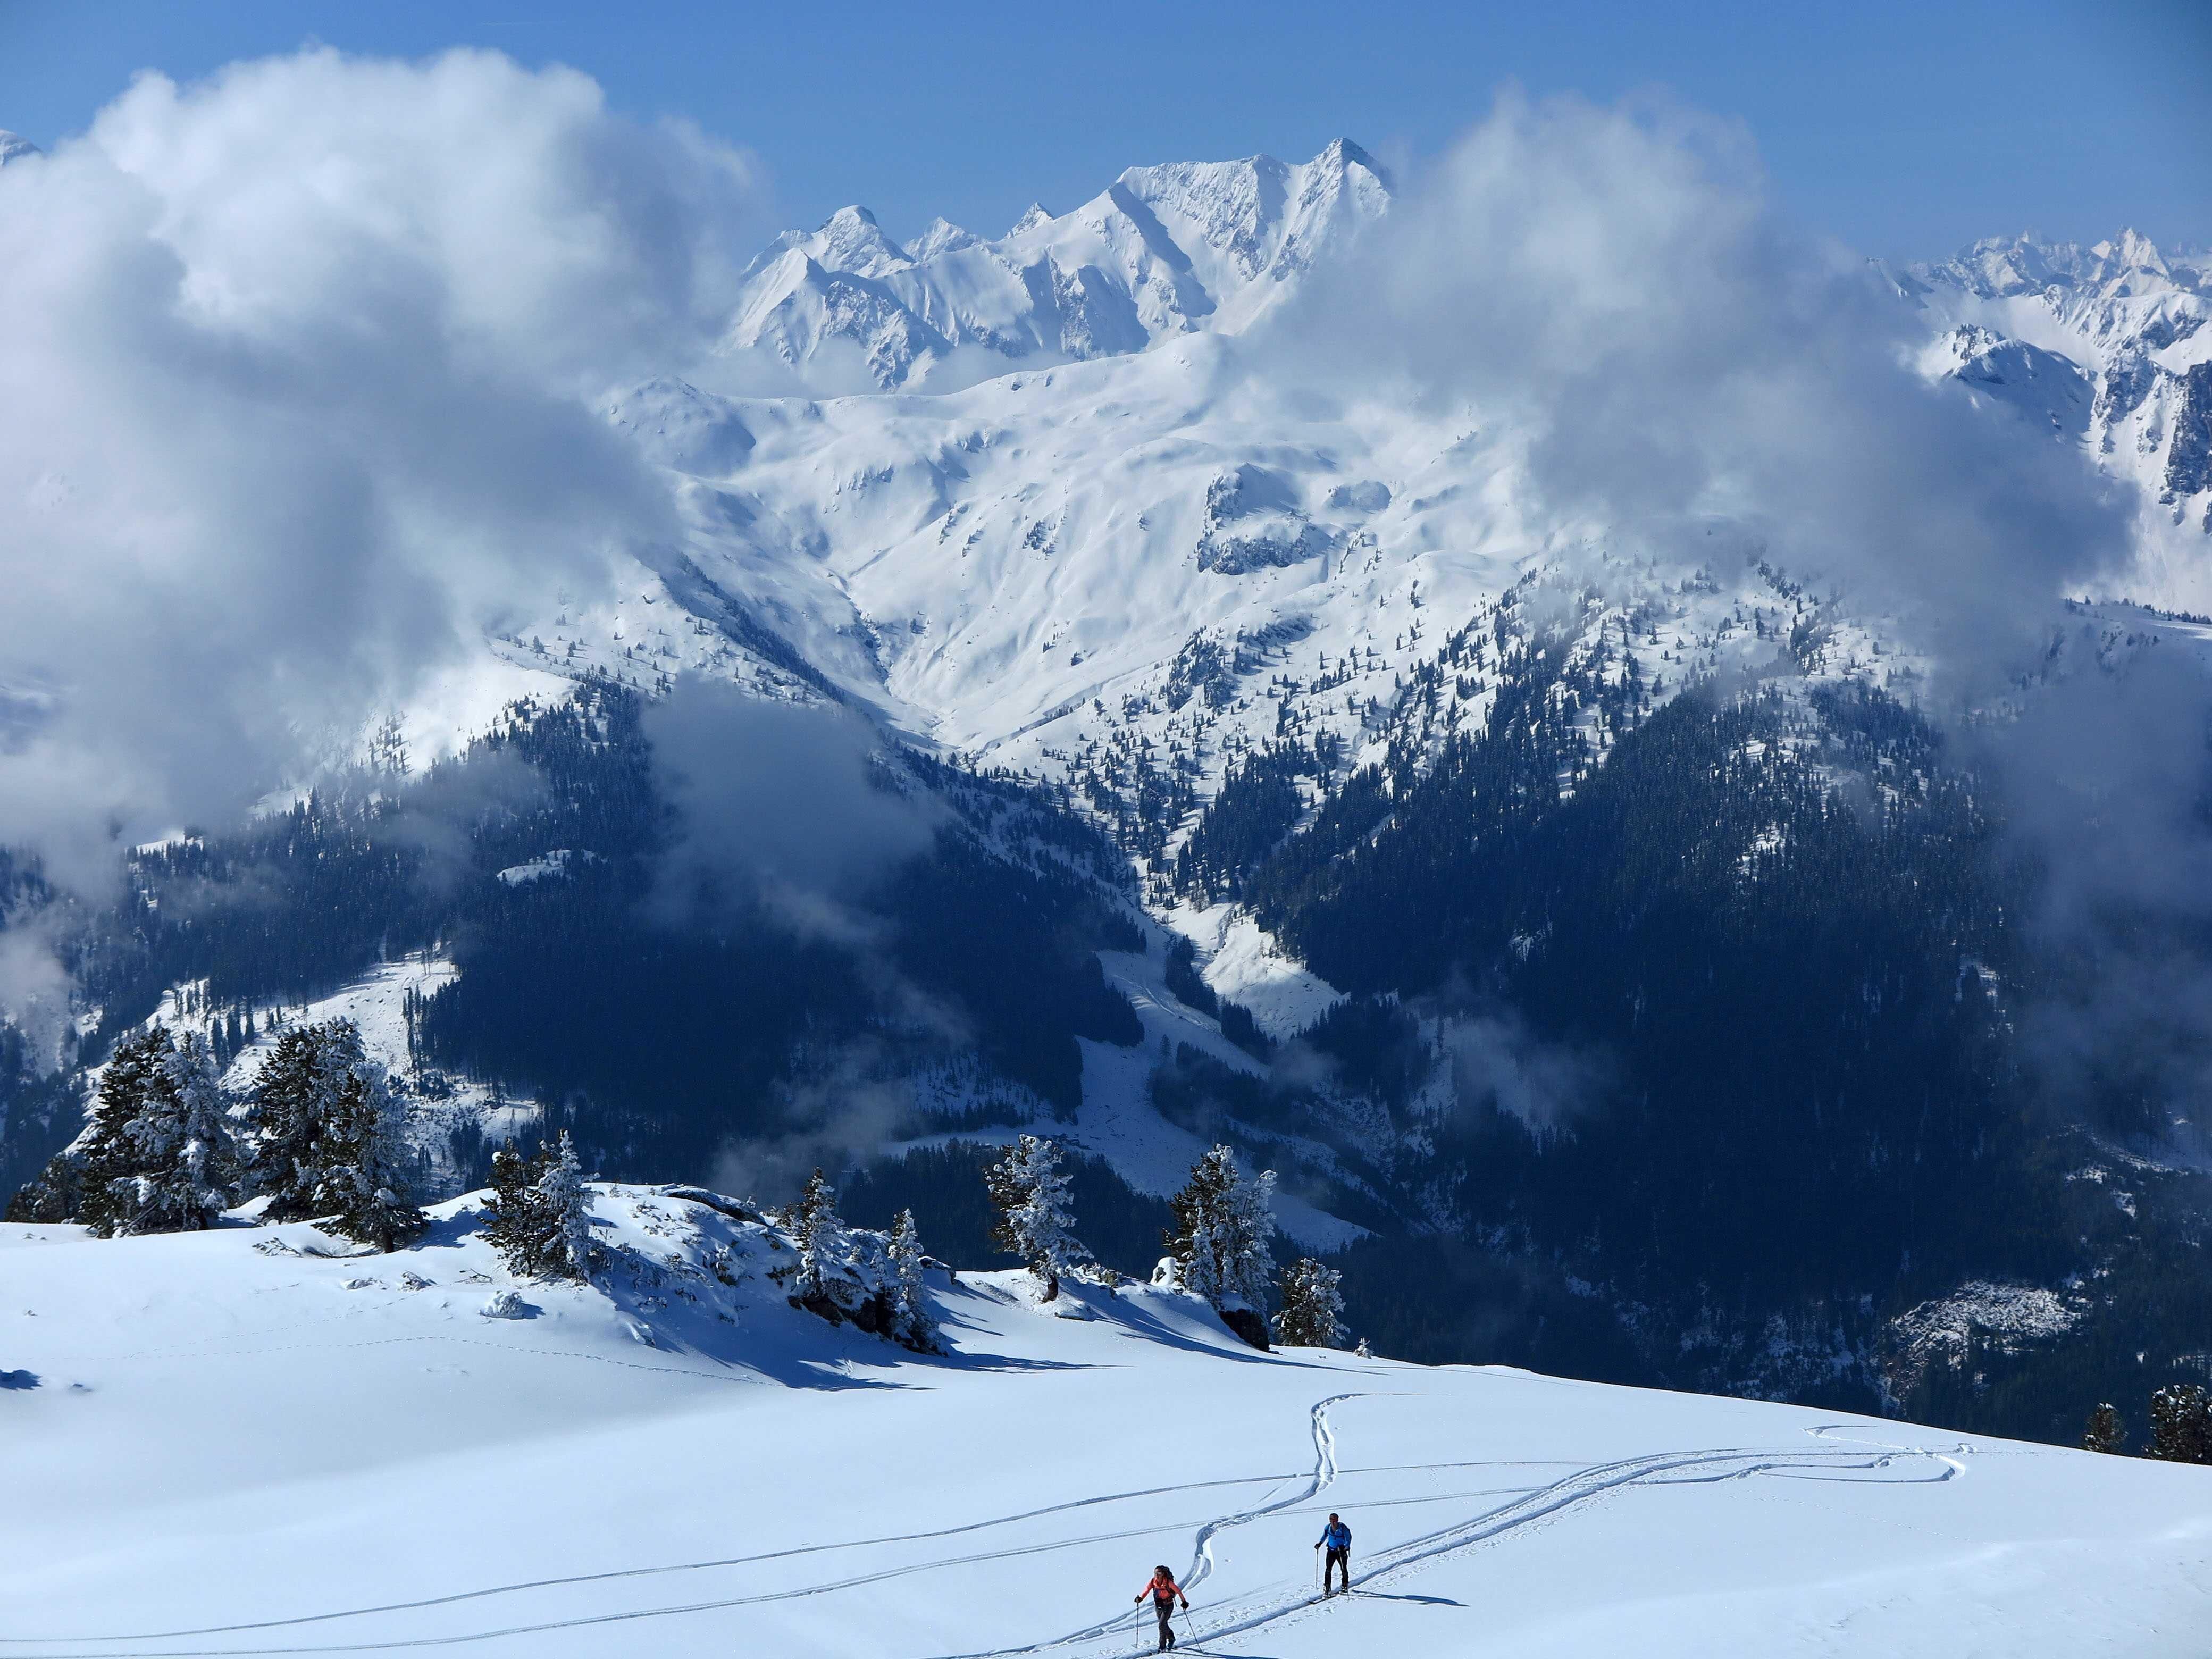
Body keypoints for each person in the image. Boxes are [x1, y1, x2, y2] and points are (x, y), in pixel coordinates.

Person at [1134, 1563, 1188, 1651]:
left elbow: (1178, 1591)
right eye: (1156, 1573)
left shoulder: (1168, 1582)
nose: (1157, 1575)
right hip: (1158, 1606)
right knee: (1163, 1624)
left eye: (1159, 1573)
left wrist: (1184, 1602)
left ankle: (1162, 1647)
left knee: (1161, 1625)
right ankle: (1171, 1638)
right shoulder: (1153, 1581)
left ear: (1163, 1574)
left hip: (1168, 1606)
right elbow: (1147, 1590)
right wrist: (1140, 1598)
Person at [1316, 1512, 1352, 1596]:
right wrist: (1320, 1544)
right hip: (1331, 1551)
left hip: (1341, 1551)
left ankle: (1345, 1586)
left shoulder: (1343, 1528)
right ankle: (1327, 1588)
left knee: (1343, 1569)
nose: (1332, 1522)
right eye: (1331, 1520)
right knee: (1328, 1570)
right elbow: (1324, 1536)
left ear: (1337, 1520)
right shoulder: (1328, 1527)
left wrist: (1347, 1546)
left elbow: (1348, 1537)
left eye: (1334, 1520)